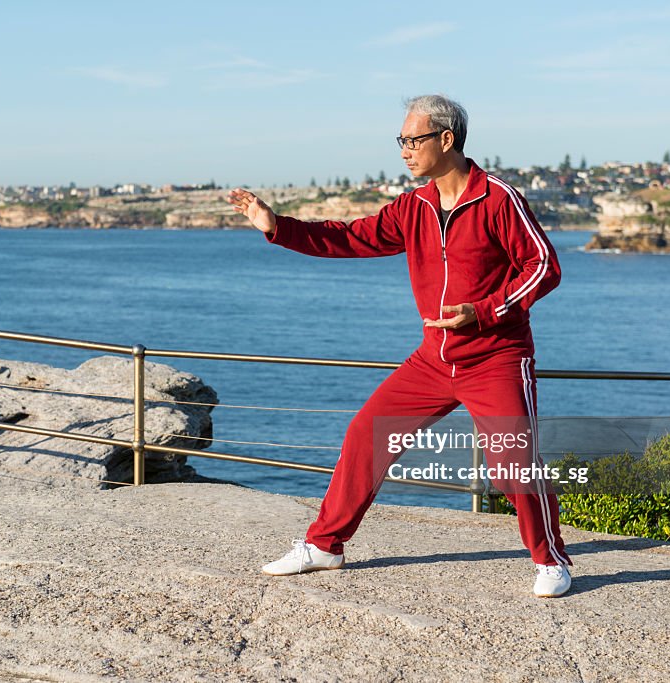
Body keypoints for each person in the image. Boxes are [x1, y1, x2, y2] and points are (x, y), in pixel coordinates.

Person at [226, 94, 572, 598]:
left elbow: (543, 267)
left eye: (413, 140)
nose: (405, 150)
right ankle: (326, 545)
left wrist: (485, 311)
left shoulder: (498, 198)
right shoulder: (415, 206)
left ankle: (551, 559)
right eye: (402, 141)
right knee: (367, 432)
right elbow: (351, 237)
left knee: (510, 464)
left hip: (495, 357)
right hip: (434, 358)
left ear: (446, 140)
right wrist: (278, 227)